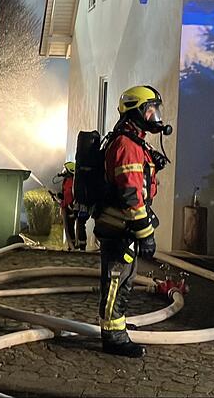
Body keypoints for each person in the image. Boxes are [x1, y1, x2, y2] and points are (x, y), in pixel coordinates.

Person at [94, 85, 170, 358]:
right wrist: (146, 233)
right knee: (116, 281)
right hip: (119, 228)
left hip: (123, 227)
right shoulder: (127, 145)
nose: (154, 115)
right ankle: (113, 337)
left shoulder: (133, 141)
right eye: (150, 110)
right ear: (136, 111)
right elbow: (131, 196)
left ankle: (117, 325)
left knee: (123, 281)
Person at [56, 162, 87, 251]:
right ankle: (72, 246)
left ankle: (82, 247)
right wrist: (61, 197)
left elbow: (74, 194)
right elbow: (66, 193)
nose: (63, 172)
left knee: (80, 226)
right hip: (68, 207)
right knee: (69, 227)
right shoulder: (66, 180)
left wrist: (72, 206)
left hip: (76, 207)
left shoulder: (76, 181)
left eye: (65, 169)